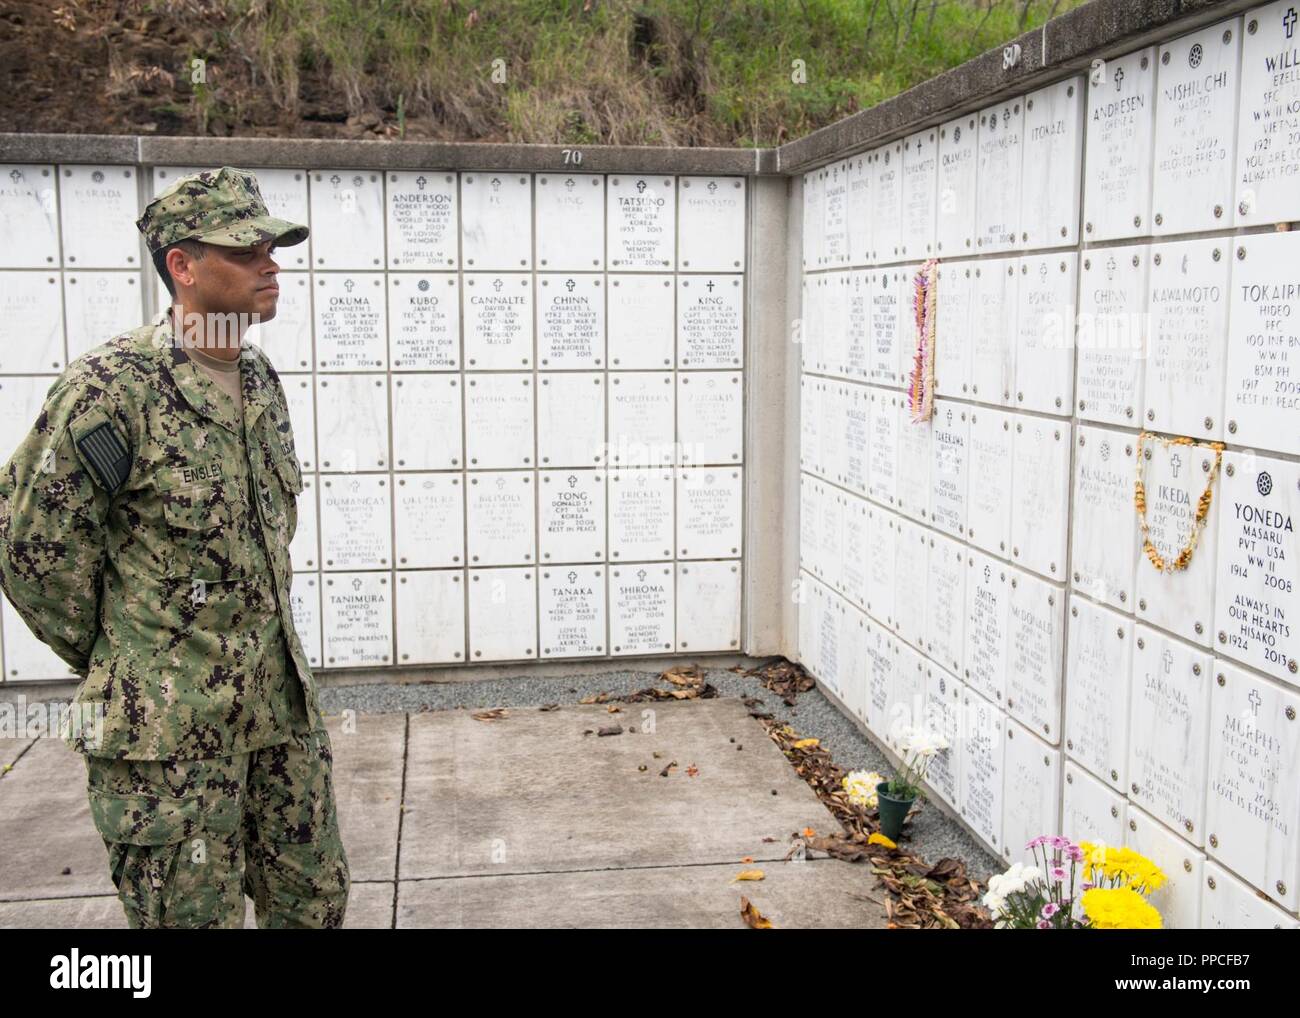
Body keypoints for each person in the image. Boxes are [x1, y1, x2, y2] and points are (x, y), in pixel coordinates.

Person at [0, 166, 349, 928]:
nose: (271, 265)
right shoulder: (112, 389)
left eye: (272, 247)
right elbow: (32, 550)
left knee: (316, 906)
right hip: (167, 750)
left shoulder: (258, 383)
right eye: (245, 250)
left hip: (277, 723)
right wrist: (127, 659)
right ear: (182, 267)